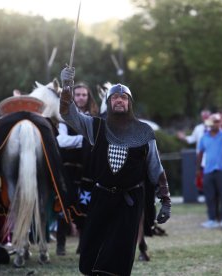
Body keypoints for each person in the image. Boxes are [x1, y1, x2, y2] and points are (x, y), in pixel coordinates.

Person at [59, 67, 171, 276]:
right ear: (109, 103)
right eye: (115, 98)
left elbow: (156, 167)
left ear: (129, 103)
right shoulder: (97, 126)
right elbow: (68, 114)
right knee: (92, 252)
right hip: (101, 197)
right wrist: (66, 87)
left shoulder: (144, 131)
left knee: (119, 255)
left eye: (124, 98)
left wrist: (165, 200)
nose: (119, 100)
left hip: (129, 201)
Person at [56, 82, 99, 255]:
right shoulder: (64, 116)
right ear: (73, 96)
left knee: (85, 204)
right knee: (64, 204)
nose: (81, 97)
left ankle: (83, 243)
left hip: (88, 170)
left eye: (84, 95)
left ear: (88, 97)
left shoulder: (94, 118)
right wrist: (83, 140)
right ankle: (60, 243)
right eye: (78, 94)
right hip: (68, 169)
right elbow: (61, 141)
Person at [197, 113, 222, 229]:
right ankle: (211, 220)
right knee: (210, 197)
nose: (214, 124)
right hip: (208, 170)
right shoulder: (204, 137)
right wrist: (198, 169)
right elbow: (200, 154)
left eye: (216, 122)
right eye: (213, 122)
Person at [177, 109, 211, 198]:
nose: (205, 118)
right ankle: (207, 195)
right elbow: (192, 139)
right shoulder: (198, 128)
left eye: (207, 116)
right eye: (204, 117)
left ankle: (212, 194)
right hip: (201, 158)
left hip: (212, 158)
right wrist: (184, 137)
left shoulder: (214, 128)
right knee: (202, 178)